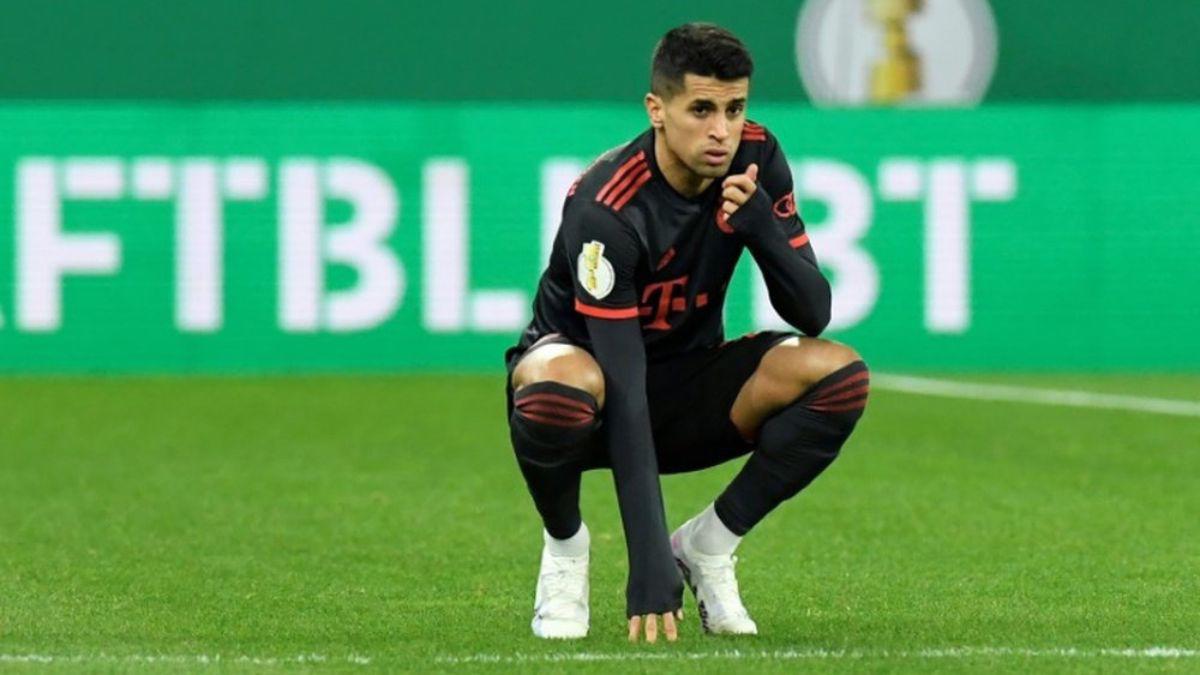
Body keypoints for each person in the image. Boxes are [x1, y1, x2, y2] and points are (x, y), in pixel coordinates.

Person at [504, 22, 869, 643]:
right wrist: (647, 562)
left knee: (837, 375)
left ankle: (708, 545)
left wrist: (761, 228)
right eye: (701, 109)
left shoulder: (758, 157)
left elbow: (813, 313)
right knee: (556, 385)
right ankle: (565, 549)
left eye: (735, 108)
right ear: (657, 110)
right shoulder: (607, 208)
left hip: (685, 381)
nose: (722, 130)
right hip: (591, 397)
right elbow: (624, 385)